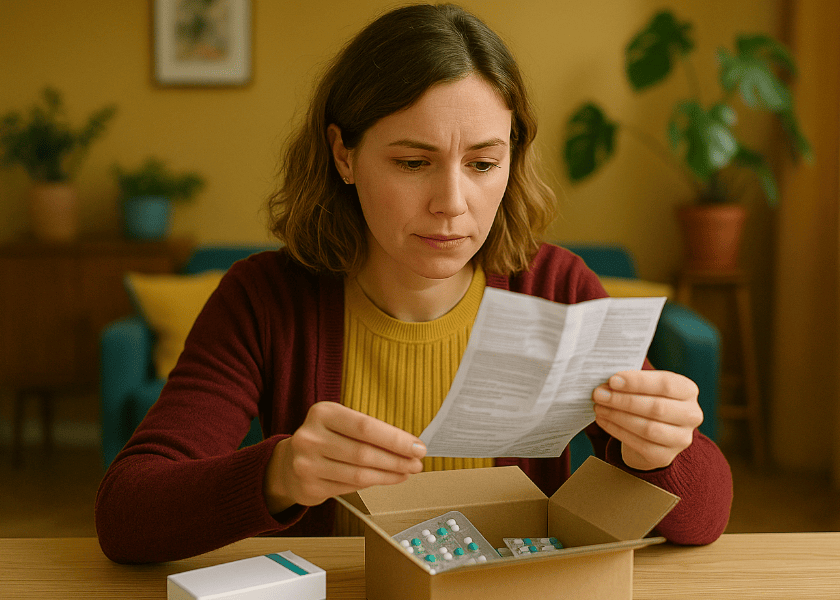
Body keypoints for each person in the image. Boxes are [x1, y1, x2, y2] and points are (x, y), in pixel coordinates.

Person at [95, 3, 732, 564]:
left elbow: (704, 519)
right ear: (343, 154)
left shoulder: (557, 286)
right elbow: (126, 514)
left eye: (484, 163)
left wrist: (662, 452)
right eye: (411, 163)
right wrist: (279, 473)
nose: (452, 203)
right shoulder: (264, 299)